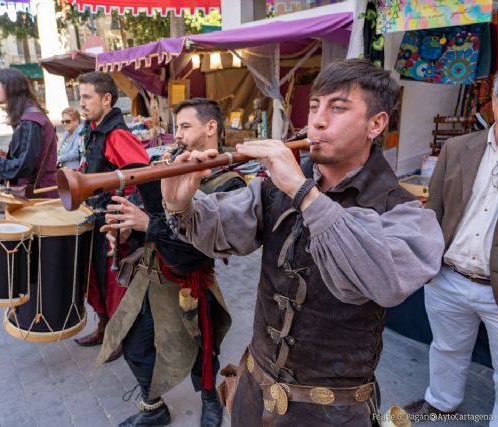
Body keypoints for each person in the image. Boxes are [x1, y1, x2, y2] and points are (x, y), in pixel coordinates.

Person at [160, 59, 444, 426]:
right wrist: (181, 205)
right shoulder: (273, 186)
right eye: (314, 106)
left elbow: (383, 280)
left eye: (338, 108)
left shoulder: (403, 211)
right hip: (253, 391)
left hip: (331, 413)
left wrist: (302, 191)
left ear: (376, 124)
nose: (318, 120)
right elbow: (223, 228)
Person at [96, 98, 246, 427]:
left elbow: (198, 250)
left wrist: (146, 224)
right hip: (149, 277)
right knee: (133, 345)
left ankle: (209, 398)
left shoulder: (230, 183)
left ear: (211, 128)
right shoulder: (166, 165)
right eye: (176, 126)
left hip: (190, 281)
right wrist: (124, 234)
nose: (176, 134)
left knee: (202, 352)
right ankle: (154, 407)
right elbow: (141, 217)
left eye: (185, 126)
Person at [402, 75, 498, 425]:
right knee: (446, 347)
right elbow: (436, 212)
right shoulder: (458, 149)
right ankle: (441, 401)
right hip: (450, 276)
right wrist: (428, 263)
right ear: (495, 104)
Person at [72, 72, 149, 362]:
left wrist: (124, 216)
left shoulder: (117, 134)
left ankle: (118, 335)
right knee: (96, 279)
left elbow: (142, 176)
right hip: (96, 218)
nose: (82, 103)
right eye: (80, 97)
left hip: (114, 223)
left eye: (87, 97)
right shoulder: (95, 130)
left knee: (115, 282)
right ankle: (104, 326)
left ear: (106, 99)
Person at [0, 68, 58, 199]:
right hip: (38, 191)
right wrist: (10, 156)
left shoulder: (30, 119)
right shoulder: (29, 115)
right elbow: (32, 157)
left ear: (9, 87)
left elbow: (24, 166)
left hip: (39, 194)